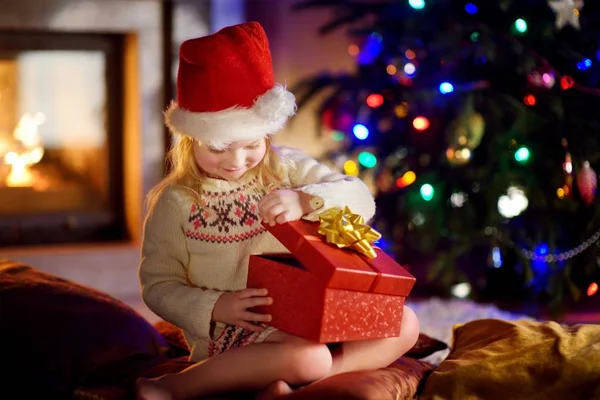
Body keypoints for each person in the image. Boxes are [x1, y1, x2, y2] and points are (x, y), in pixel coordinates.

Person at [136, 21, 419, 400]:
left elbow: (360, 198)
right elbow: (158, 286)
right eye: (219, 148)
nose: (237, 161)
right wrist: (216, 306)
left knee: (405, 323)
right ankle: (170, 388)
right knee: (309, 357)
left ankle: (298, 386)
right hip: (244, 330)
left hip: (316, 310)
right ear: (191, 139)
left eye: (251, 144)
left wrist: (306, 200)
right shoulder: (177, 201)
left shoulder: (287, 169)